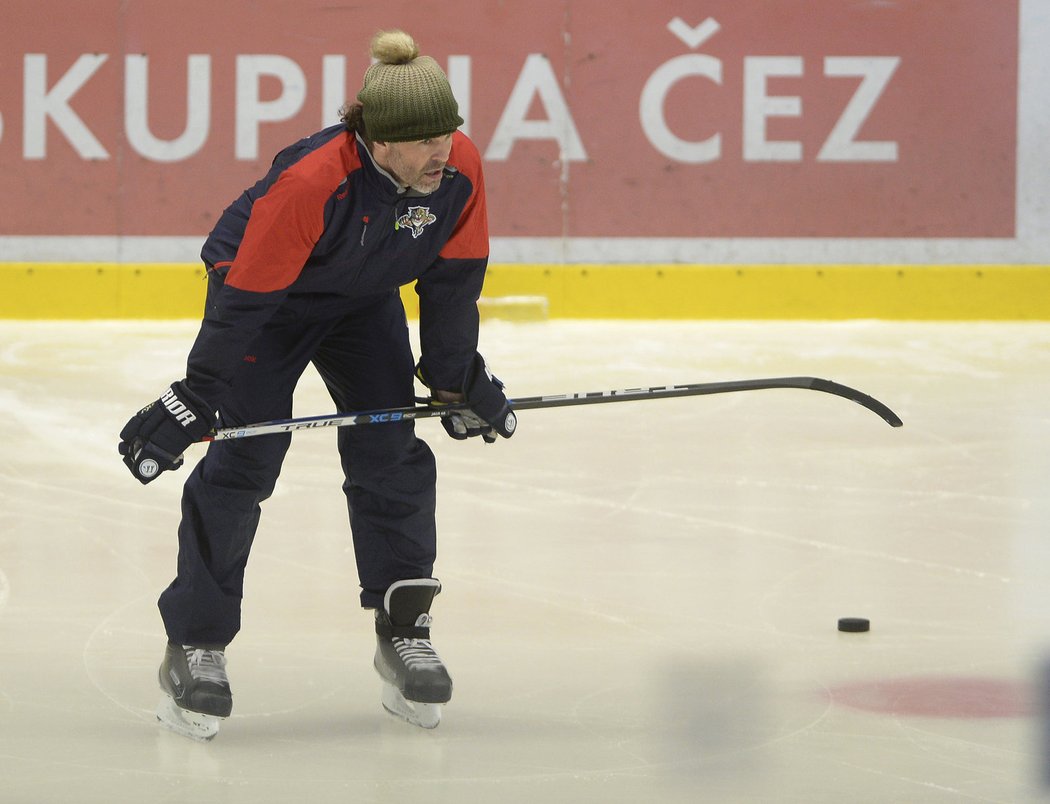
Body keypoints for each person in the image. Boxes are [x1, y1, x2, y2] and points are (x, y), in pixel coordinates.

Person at [117, 29, 516, 739]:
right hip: (268, 303)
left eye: (449, 135)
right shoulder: (312, 182)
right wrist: (197, 395)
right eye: (425, 143)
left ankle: (403, 627)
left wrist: (456, 380)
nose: (444, 153)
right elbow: (244, 301)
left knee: (390, 452)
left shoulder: (457, 168)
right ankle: (197, 644)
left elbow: (453, 283)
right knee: (245, 459)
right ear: (379, 143)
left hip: (363, 302)